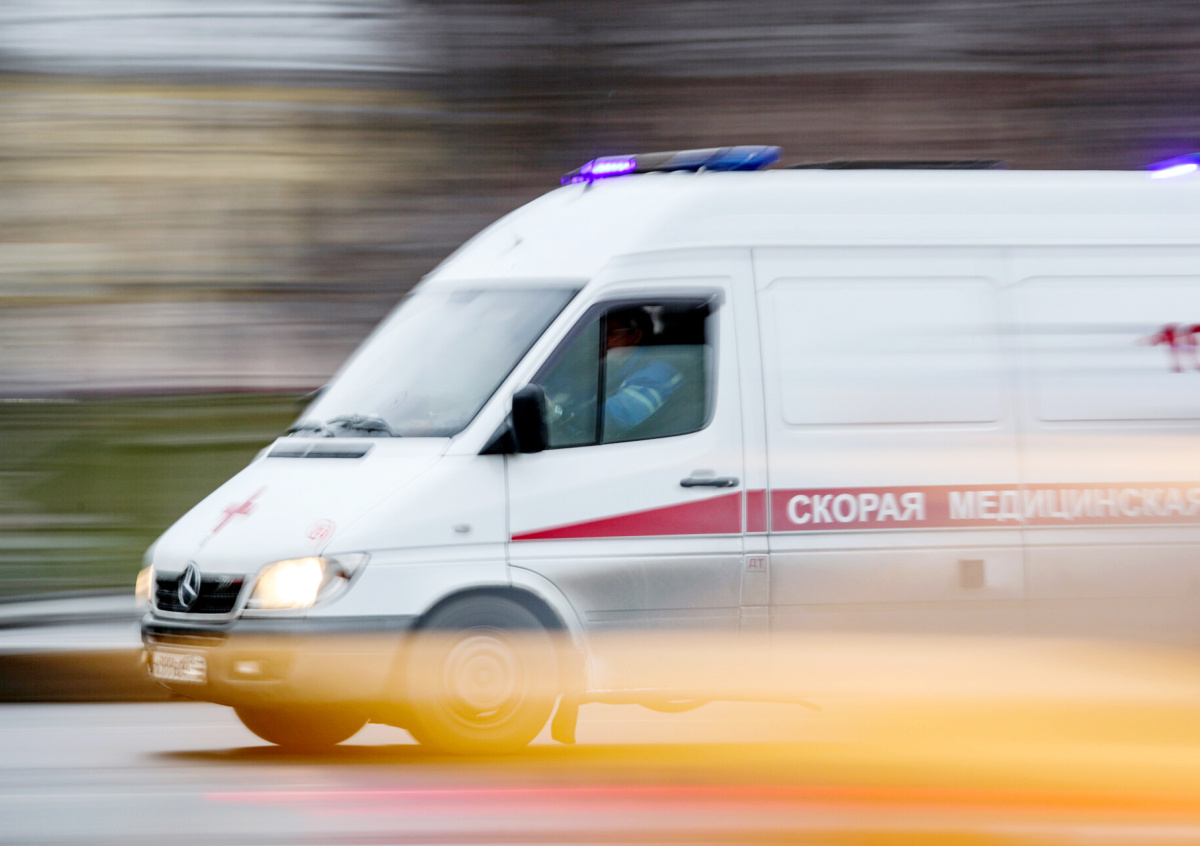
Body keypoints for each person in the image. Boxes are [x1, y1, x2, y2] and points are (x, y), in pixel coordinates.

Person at [602, 308, 684, 436]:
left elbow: (609, 420)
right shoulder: (617, 366)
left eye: (610, 333)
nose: (603, 341)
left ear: (635, 336)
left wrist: (571, 413)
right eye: (600, 334)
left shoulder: (656, 373)